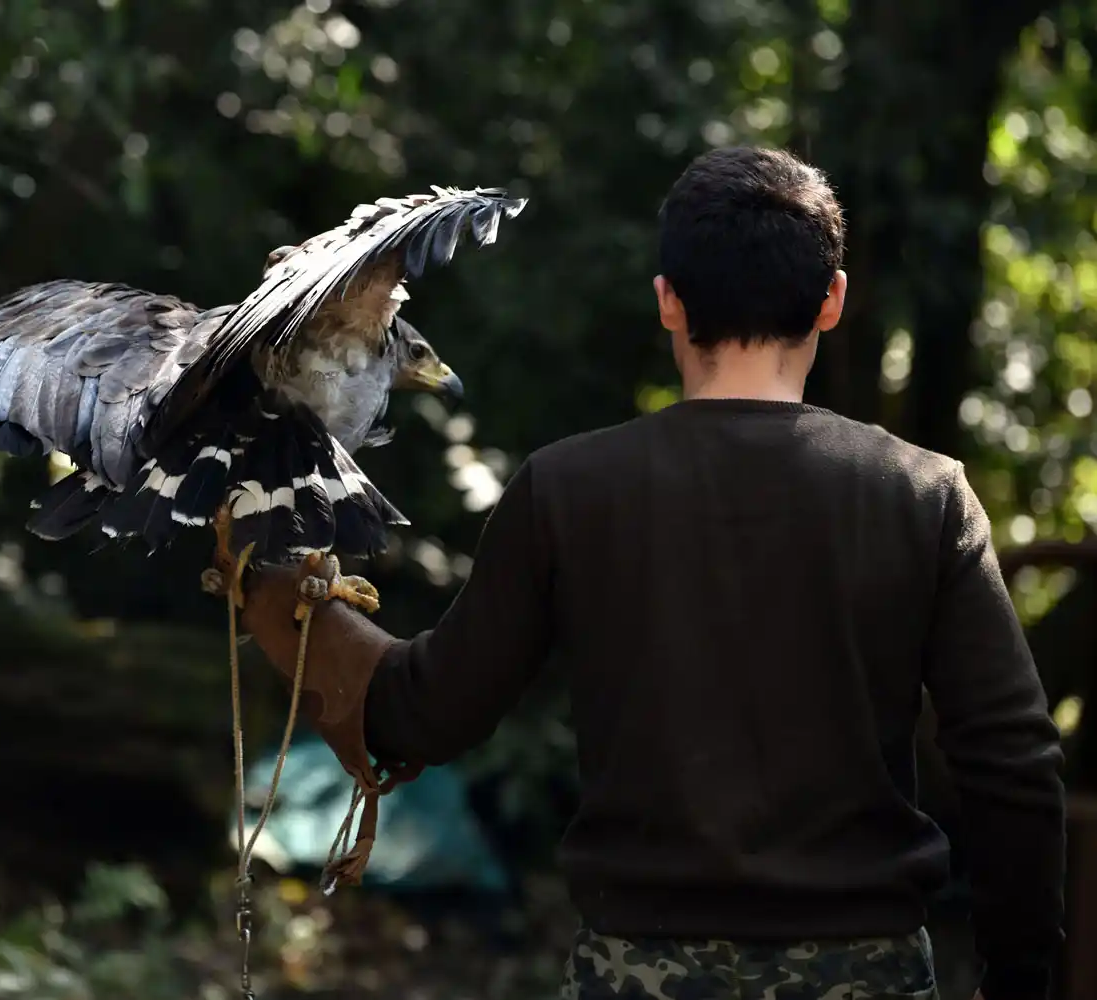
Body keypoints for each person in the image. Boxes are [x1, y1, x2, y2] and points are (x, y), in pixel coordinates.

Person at [222, 145, 1067, 1000]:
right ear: (833, 302)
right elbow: (1014, 764)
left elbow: (421, 714)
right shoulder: (922, 495)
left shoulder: (568, 491)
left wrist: (277, 586)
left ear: (668, 301)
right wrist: (1023, 980)